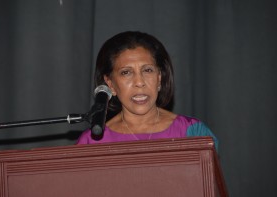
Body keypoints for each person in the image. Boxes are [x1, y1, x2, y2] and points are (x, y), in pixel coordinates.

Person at [77, 31, 218, 150]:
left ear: (159, 78)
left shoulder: (193, 132)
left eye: (147, 70)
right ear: (111, 84)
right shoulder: (91, 142)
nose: (139, 82)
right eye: (126, 72)